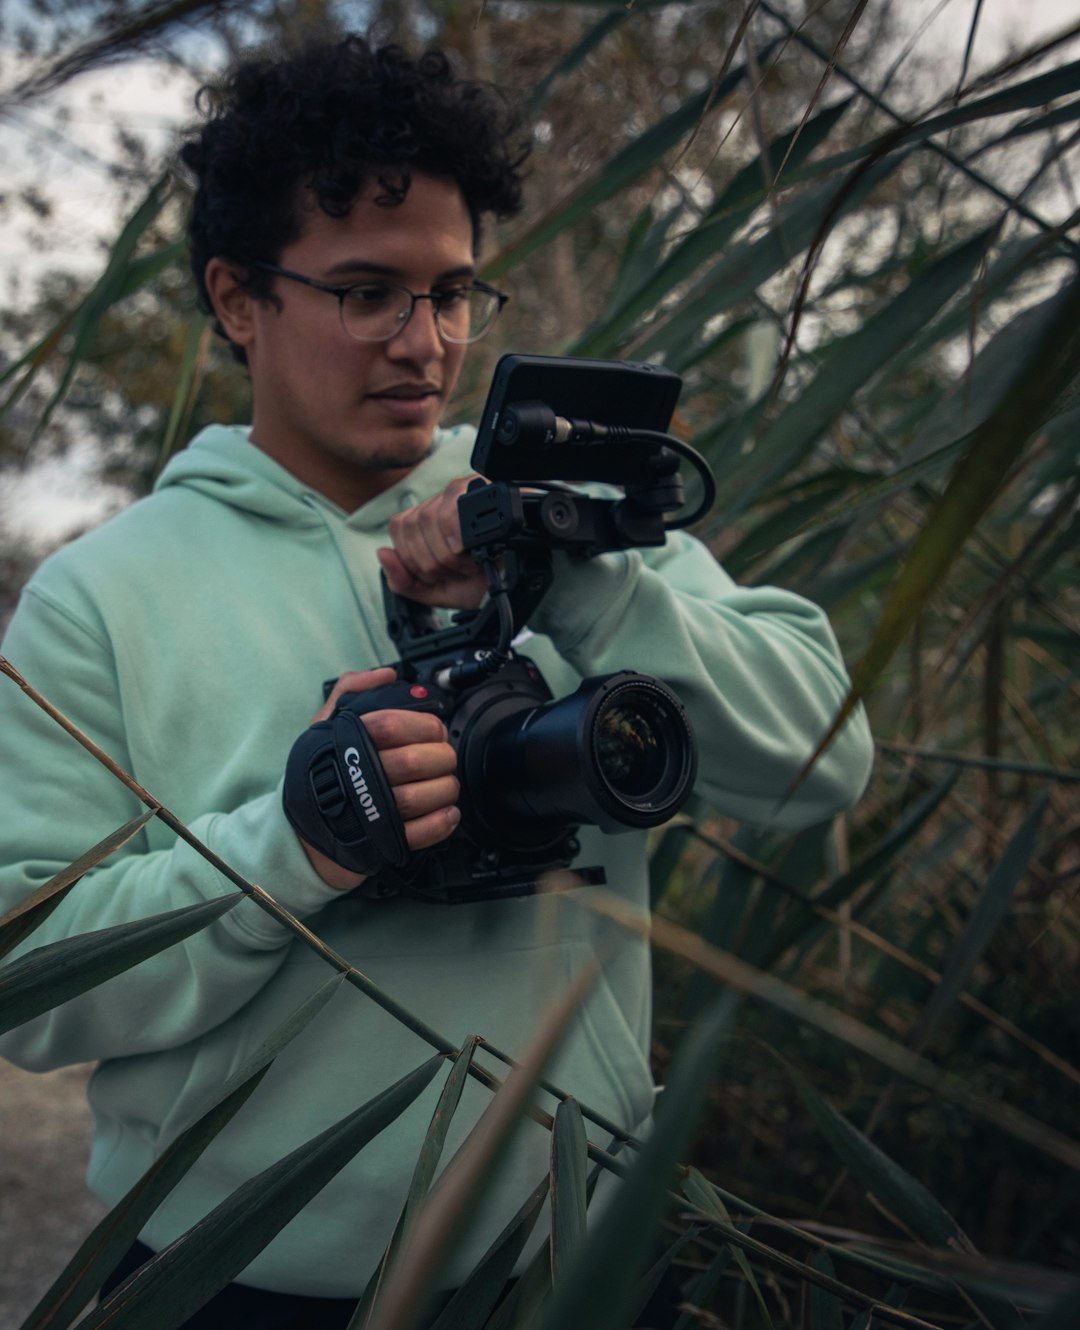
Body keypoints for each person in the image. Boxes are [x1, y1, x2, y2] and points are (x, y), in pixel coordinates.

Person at [0, 34, 874, 1329]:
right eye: (366, 292)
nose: (426, 344)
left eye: (455, 293)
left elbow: (824, 763)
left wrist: (576, 578)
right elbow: (30, 987)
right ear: (238, 299)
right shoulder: (100, 597)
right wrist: (297, 838)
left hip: (585, 1257)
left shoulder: (557, 514)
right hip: (240, 1280)